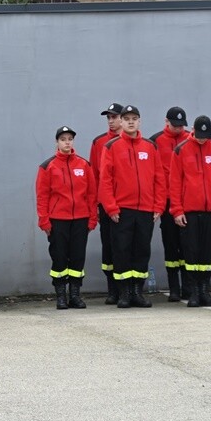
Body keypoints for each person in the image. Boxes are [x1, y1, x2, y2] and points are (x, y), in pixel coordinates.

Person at [98, 105, 165, 308]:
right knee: (122, 251)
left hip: (145, 210)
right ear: (122, 121)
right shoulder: (111, 147)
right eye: (126, 118)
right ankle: (124, 293)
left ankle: (138, 292)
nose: (130, 122)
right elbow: (105, 180)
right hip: (122, 210)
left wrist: (158, 206)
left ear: (139, 121)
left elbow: (159, 179)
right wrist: (111, 207)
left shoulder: (150, 147)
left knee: (141, 251)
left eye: (134, 118)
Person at [35, 125, 96, 310]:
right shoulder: (48, 166)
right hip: (57, 220)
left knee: (77, 257)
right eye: (63, 139)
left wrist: (92, 218)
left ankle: (75, 295)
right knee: (59, 257)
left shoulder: (84, 165)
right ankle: (61, 295)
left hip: (80, 219)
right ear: (57, 142)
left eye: (70, 139)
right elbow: (42, 196)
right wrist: (44, 220)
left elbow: (92, 194)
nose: (67, 142)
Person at [169, 115, 211, 308]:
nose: (203, 139)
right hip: (190, 211)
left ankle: (205, 290)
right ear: (193, 130)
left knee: (206, 254)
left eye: (206, 136)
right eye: (200, 135)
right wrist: (177, 210)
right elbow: (175, 183)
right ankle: (194, 291)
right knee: (191, 252)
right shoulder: (181, 150)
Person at [149, 106, 192, 302]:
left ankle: (188, 286)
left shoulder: (190, 138)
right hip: (166, 201)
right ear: (166, 122)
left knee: (187, 246)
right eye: (175, 125)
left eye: (181, 125)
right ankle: (174, 287)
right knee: (171, 245)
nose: (178, 129)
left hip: (187, 201)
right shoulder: (155, 141)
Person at [89, 103, 123, 304]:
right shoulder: (99, 142)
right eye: (108, 118)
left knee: (125, 247)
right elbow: (94, 176)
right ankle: (112, 290)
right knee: (109, 246)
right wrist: (96, 205)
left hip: (125, 203)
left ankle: (127, 289)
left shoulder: (129, 143)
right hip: (105, 204)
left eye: (114, 117)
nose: (111, 121)